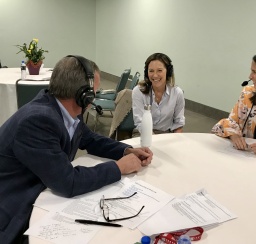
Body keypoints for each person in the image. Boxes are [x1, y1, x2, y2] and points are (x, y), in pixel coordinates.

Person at [0, 55, 153, 243]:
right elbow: (67, 182)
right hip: (14, 211)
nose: (94, 97)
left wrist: (126, 151)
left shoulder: (63, 108)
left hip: (40, 188)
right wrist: (119, 168)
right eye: (94, 92)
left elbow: (89, 139)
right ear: (83, 95)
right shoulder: (38, 121)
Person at [132, 53, 185, 134]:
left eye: (159, 70)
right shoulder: (138, 91)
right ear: (147, 73)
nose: (155, 75)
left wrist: (176, 142)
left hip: (166, 134)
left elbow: (178, 123)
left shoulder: (177, 93)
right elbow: (140, 122)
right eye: (151, 71)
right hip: (143, 133)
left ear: (168, 72)